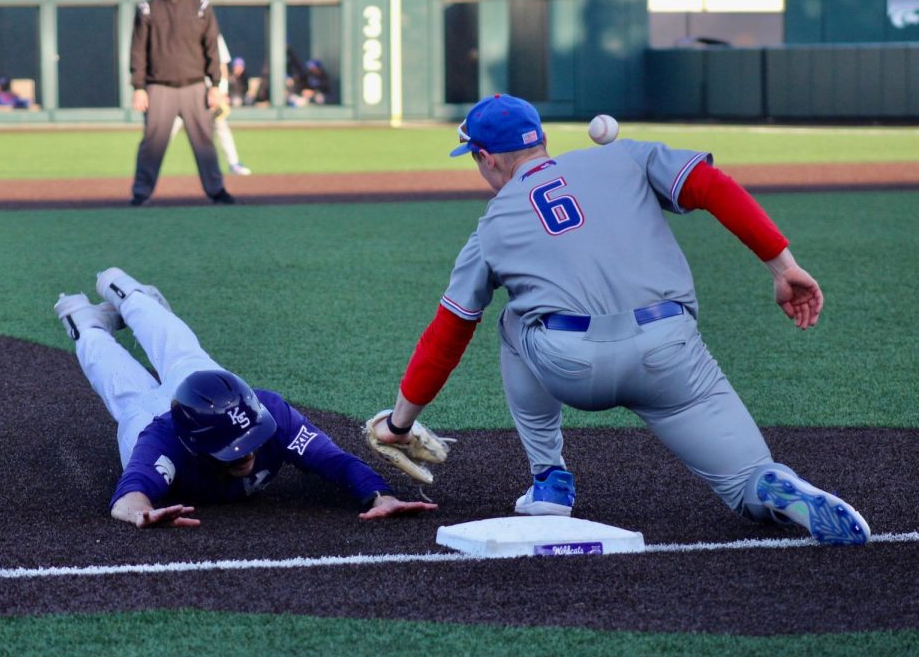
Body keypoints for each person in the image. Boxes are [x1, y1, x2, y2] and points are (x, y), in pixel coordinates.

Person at [369, 93, 870, 546]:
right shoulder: (624, 155)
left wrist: (398, 424)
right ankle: (770, 486)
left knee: (514, 320)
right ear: (542, 140)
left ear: (486, 158)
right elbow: (711, 186)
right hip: (668, 353)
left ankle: (550, 480)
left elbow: (448, 333)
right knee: (747, 480)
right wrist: (783, 266)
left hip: (572, 366)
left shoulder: (491, 227)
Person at [54, 267, 437, 528]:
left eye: (250, 439)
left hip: (204, 396)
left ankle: (121, 294)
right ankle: (86, 326)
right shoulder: (160, 441)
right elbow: (129, 496)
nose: (249, 452)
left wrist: (380, 496)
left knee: (185, 354)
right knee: (126, 391)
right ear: (197, 444)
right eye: (234, 447)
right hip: (152, 418)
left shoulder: (268, 414)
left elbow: (334, 461)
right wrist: (141, 513)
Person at [129, 0, 235, 206]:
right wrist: (139, 87)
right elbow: (137, 51)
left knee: (204, 141)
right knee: (152, 143)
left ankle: (216, 190)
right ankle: (141, 193)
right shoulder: (148, 8)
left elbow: (212, 49)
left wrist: (216, 86)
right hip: (159, 86)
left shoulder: (200, 7)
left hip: (195, 86)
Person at [169, 34, 252, 176]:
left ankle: (234, 163)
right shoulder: (180, 30)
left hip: (211, 90)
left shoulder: (212, 33)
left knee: (221, 126)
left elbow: (222, 64)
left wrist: (222, 92)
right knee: (169, 127)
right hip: (185, 88)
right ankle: (151, 163)